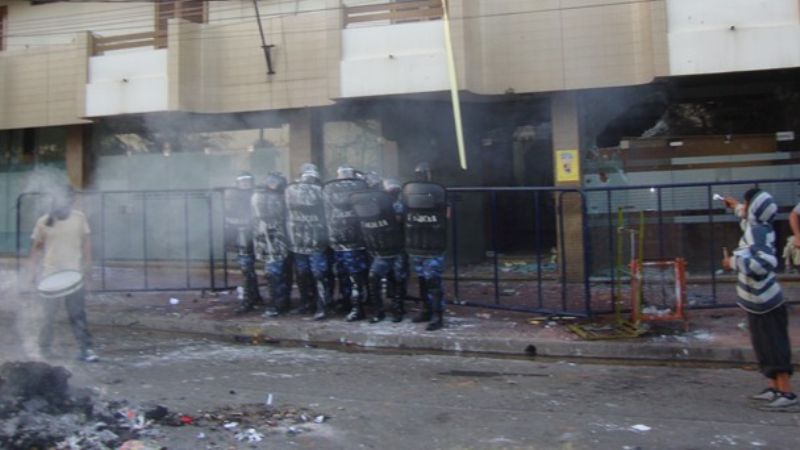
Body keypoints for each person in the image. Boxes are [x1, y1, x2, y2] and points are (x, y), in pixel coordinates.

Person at [723, 189, 796, 409]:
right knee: (763, 345)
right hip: (757, 303)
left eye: (747, 204)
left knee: (774, 345)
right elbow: (746, 220)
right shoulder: (755, 227)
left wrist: (732, 263)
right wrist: (734, 205)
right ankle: (774, 388)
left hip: (766, 303)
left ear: (754, 208)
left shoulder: (758, 232)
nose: (743, 208)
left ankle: (787, 393)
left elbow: (764, 264)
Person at [27, 187, 98, 362]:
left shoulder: (79, 218)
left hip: (74, 275)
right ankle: (44, 349)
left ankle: (86, 349)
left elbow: (86, 242)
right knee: (47, 315)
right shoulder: (44, 221)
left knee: (77, 313)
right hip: (50, 276)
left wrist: (88, 266)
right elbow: (36, 248)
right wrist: (31, 273)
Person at [352, 176, 407, 323]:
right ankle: (379, 311)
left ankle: (397, 309)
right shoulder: (375, 205)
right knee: (374, 278)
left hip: (397, 248)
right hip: (381, 250)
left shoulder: (399, 205)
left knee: (397, 279)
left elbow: (401, 223)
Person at [402, 162, 448, 331]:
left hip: (426, 244)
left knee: (432, 281)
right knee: (424, 280)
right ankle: (428, 311)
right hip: (423, 244)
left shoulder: (408, 191)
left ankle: (437, 315)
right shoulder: (437, 192)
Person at [323, 165, 370, 321]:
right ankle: (347, 303)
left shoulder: (362, 188)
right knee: (344, 274)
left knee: (354, 275)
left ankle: (358, 308)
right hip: (339, 240)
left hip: (354, 241)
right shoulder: (329, 190)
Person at [285, 163, 331, 320]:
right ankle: (307, 304)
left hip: (315, 241)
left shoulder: (322, 191)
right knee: (303, 275)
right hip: (298, 241)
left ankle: (322, 306)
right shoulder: (290, 190)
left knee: (318, 274)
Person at [252, 171, 293, 317]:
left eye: (275, 182)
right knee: (274, 273)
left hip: (287, 238)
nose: (272, 184)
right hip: (271, 240)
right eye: (270, 181)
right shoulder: (260, 196)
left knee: (285, 272)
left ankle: (283, 303)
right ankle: (277, 304)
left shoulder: (286, 195)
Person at [224, 172, 264, 314]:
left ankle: (252, 298)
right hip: (243, 236)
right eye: (243, 181)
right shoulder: (233, 197)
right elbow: (229, 221)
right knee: (247, 269)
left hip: (257, 235)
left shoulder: (257, 195)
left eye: (248, 181)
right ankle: (250, 299)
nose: (246, 184)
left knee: (253, 269)